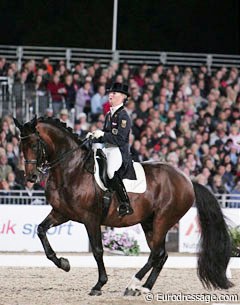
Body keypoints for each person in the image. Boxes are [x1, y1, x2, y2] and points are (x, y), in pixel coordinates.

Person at [90, 82, 134, 217]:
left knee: (110, 171)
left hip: (118, 150)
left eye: (114, 93)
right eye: (110, 92)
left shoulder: (123, 116)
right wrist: (94, 136)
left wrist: (103, 134)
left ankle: (125, 203)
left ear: (122, 97)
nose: (110, 95)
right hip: (108, 149)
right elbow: (106, 135)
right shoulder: (109, 115)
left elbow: (120, 139)